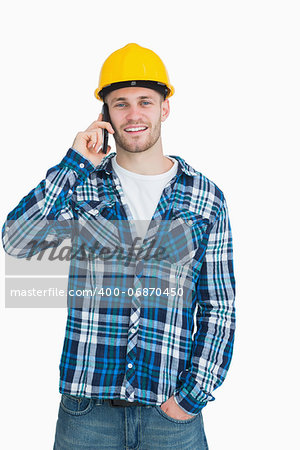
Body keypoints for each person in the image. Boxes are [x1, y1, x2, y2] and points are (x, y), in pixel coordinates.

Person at [2, 43, 236, 449]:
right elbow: (17, 240)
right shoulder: (82, 187)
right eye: (120, 103)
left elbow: (219, 305)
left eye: (145, 101)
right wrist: (74, 163)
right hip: (86, 413)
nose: (133, 114)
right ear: (105, 115)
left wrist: (191, 397)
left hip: (170, 415)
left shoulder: (205, 198)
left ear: (164, 108)